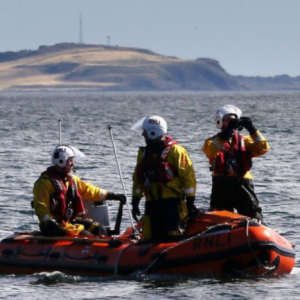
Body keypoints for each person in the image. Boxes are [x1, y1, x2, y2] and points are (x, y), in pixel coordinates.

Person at [33, 145, 126, 237]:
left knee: (100, 229)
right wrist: (50, 223)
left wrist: (111, 195)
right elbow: (41, 207)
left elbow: (89, 190)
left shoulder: (72, 180)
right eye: (70, 161)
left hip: (69, 221)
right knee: (87, 235)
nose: (73, 164)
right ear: (62, 161)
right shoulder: (44, 183)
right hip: (53, 225)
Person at [131, 115, 197, 241]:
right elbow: (138, 180)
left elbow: (189, 178)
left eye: (144, 132)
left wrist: (190, 203)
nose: (143, 135)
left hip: (172, 204)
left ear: (152, 132)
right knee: (151, 236)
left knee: (173, 236)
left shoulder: (176, 151)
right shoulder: (144, 153)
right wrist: (135, 201)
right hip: (152, 203)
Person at [202, 104, 269, 221]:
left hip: (242, 182)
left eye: (234, 121)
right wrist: (225, 135)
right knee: (220, 216)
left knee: (253, 214)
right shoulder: (211, 141)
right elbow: (211, 152)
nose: (231, 123)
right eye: (228, 120)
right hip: (221, 184)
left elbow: (263, 148)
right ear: (220, 122)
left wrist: (252, 129)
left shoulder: (245, 141)